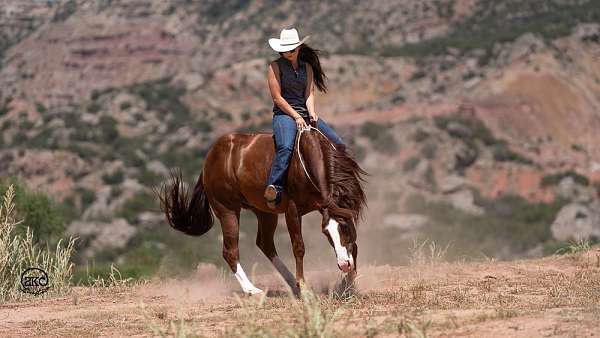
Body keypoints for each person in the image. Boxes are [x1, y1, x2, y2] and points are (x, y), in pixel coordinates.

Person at [264, 28, 345, 208]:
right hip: (284, 115)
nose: (288, 53)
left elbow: (309, 92)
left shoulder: (306, 67)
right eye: (285, 50)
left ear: (299, 49)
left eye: (292, 49)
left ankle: (338, 185)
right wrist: (296, 116)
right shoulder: (275, 67)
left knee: (338, 143)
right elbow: (277, 98)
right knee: (285, 146)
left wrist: (312, 112)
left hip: (305, 113)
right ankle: (274, 187)